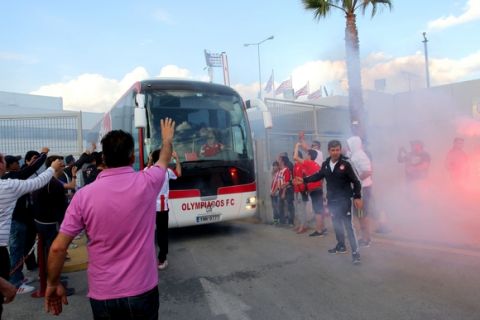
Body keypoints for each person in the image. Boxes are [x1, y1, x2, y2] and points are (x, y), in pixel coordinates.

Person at [44, 118, 175, 318]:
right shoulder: (148, 182)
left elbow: (57, 248)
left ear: (103, 158)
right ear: (132, 158)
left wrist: (52, 283)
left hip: (103, 294)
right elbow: (164, 159)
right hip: (142, 290)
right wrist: (166, 139)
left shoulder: (83, 196)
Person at [0, 153, 62, 318]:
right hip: (4, 244)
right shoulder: (7, 186)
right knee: (16, 249)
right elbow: (36, 182)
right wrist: (52, 168)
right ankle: (14, 281)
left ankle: (15, 279)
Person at [295, 140, 363, 265]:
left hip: (345, 200)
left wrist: (357, 197)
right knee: (336, 224)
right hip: (332, 201)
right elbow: (318, 175)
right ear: (329, 151)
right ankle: (341, 245)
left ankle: (355, 253)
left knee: (349, 226)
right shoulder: (326, 164)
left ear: (340, 149)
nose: (335, 152)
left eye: (337, 150)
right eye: (333, 150)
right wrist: (304, 180)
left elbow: (357, 181)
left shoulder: (346, 163)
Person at [2, 148, 49, 294]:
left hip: (19, 220)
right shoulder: (11, 179)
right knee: (16, 251)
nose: (19, 162)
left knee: (19, 249)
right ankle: (15, 282)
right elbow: (32, 173)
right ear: (8, 165)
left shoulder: (13, 177)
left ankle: (18, 277)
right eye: (16, 161)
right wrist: (45, 158)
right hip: (15, 222)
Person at [147, 149, 182, 270]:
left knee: (148, 234)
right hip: (162, 207)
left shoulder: (149, 171)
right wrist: (177, 159)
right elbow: (179, 173)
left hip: (149, 207)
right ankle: (162, 259)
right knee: (162, 234)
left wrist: (150, 160)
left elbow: (145, 170)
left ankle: (147, 260)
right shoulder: (167, 171)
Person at [293, 143, 326, 237]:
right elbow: (321, 178)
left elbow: (295, 157)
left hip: (315, 190)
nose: (305, 156)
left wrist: (297, 146)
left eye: (307, 154)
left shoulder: (309, 163)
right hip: (318, 189)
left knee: (317, 211)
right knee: (319, 210)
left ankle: (319, 231)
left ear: (310, 156)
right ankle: (322, 229)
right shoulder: (316, 165)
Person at [347, 136, 374, 247]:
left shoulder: (360, 155)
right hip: (360, 189)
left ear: (354, 144)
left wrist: (356, 181)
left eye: (349, 144)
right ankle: (365, 237)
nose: (347, 146)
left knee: (362, 215)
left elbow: (368, 171)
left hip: (362, 190)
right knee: (360, 214)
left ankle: (366, 239)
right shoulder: (355, 154)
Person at [278, 155, 295, 226]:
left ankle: (291, 222)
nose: (278, 161)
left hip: (287, 190)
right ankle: (282, 221)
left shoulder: (286, 170)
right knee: (281, 206)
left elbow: (287, 182)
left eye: (279, 159)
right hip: (281, 190)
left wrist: (283, 192)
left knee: (289, 206)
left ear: (283, 161)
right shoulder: (280, 170)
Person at [270, 161, 282, 225]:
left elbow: (278, 184)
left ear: (278, 166)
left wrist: (274, 192)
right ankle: (276, 220)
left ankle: (280, 220)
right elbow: (272, 184)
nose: (274, 167)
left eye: (276, 166)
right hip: (272, 192)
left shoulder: (279, 173)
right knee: (274, 207)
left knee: (277, 207)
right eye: (273, 166)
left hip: (276, 192)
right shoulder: (273, 174)